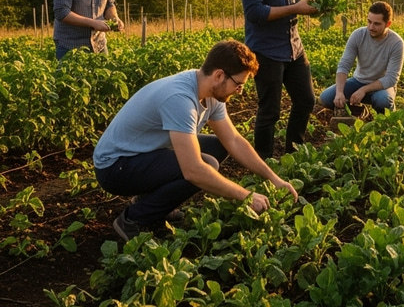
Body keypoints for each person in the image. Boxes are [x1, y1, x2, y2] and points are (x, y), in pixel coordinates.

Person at [94, 39, 298, 241]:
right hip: (115, 166)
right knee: (205, 165)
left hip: (143, 152)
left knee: (219, 146)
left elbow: (233, 140)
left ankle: (148, 200)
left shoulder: (208, 91)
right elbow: (193, 170)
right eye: (238, 85)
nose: (239, 91)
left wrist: (274, 179)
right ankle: (133, 219)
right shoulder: (180, 99)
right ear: (219, 75)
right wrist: (246, 196)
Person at [240, 0, 318, 158]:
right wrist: (295, 8)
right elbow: (254, 12)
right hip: (266, 50)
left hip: (293, 46)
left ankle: (293, 155)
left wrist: (307, 6)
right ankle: (262, 163)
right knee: (269, 111)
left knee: (306, 101)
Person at [319, 1, 404, 114]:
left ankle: (388, 120)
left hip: (381, 86)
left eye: (376, 24)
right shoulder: (358, 35)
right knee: (326, 98)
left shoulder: (396, 43)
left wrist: (363, 90)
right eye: (369, 22)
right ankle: (357, 111)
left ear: (388, 24)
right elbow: (344, 65)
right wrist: (339, 92)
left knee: (382, 101)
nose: (371, 27)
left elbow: (391, 79)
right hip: (358, 81)